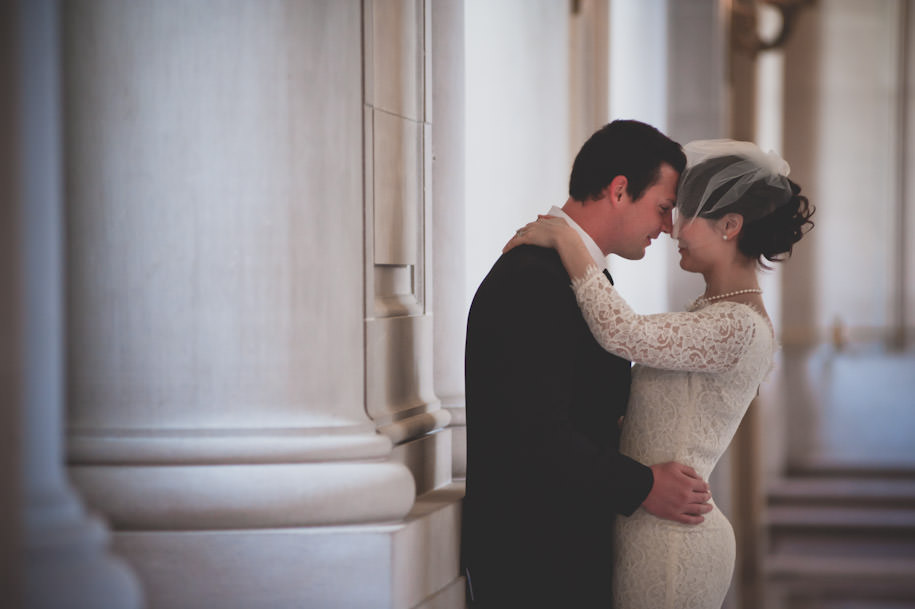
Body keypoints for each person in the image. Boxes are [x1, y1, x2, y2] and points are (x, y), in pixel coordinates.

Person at [504, 138, 815, 608]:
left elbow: (622, 333)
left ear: (730, 225)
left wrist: (569, 241)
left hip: (673, 542)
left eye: (685, 212)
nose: (672, 228)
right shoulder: (712, 312)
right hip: (651, 525)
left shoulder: (736, 325)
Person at [461, 120, 714, 608]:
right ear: (620, 190)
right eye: (663, 208)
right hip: (534, 559)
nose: (668, 227)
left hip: (561, 548)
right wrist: (644, 486)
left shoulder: (574, 277)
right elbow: (536, 433)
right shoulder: (533, 279)